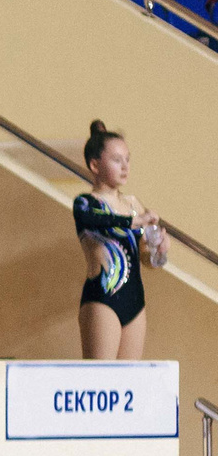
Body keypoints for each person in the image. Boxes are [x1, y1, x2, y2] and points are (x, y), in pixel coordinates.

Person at [75, 118, 162, 361]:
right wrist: (133, 221)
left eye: (127, 159)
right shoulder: (86, 203)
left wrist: (159, 250)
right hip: (103, 300)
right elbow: (96, 220)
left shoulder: (133, 204)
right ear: (95, 165)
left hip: (135, 302)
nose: (125, 167)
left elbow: (148, 258)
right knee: (101, 379)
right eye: (116, 160)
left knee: (129, 384)